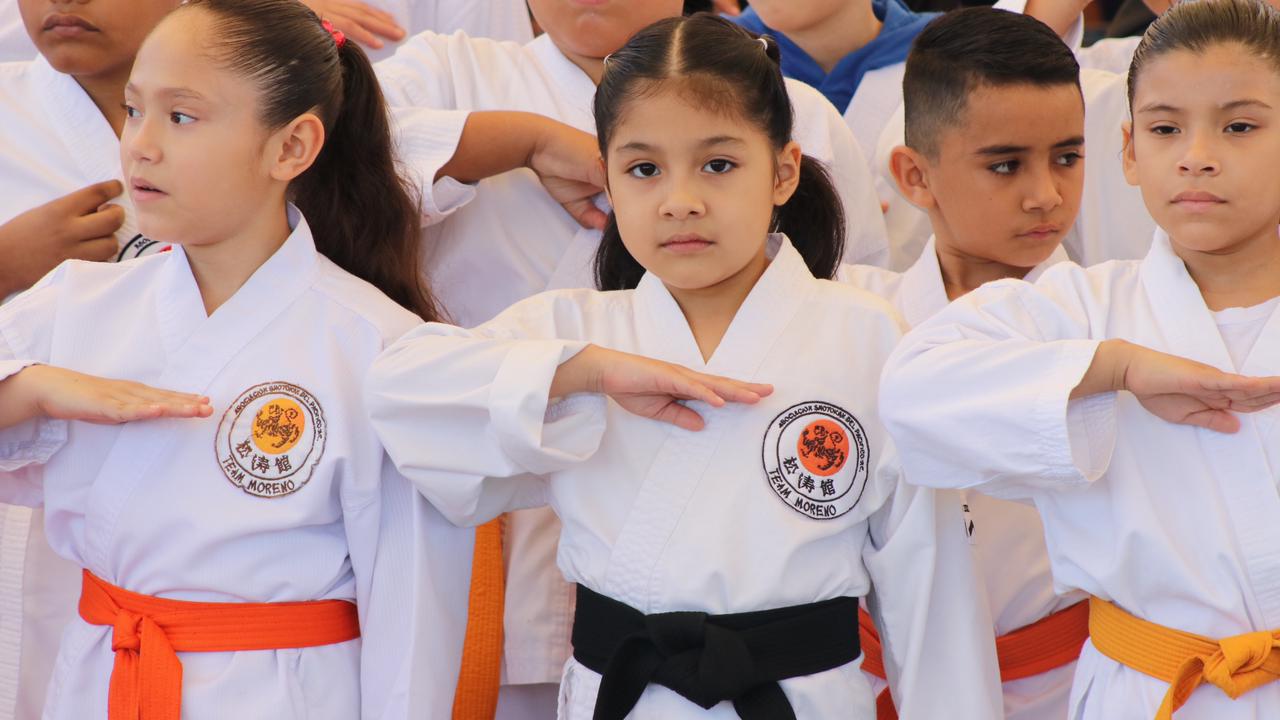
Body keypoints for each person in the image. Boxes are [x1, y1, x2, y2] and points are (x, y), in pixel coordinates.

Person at [367, 15, 1001, 719]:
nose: (680, 201)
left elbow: (932, 596)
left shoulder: (869, 338)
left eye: (719, 164)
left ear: (784, 171)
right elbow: (398, 391)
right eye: (643, 169)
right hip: (624, 699)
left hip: (804, 699)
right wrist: (587, 374)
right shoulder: (575, 333)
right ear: (605, 175)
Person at [0, 1, 478, 716]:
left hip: (286, 692)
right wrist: (29, 391)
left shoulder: (378, 344)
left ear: (291, 148)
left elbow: (413, 623)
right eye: (134, 112)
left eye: (181, 116)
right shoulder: (75, 304)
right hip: (100, 678)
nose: (140, 147)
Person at [880, 0, 1280, 717]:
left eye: (1240, 126)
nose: (1197, 154)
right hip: (1149, 688)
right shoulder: (1081, 309)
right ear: (1129, 152)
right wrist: (1112, 369)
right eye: (1165, 128)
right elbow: (910, 392)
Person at [842, 9, 1089, 719]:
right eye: (1005, 164)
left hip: (1071, 685)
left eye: (1067, 157)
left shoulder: (1116, 330)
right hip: (875, 679)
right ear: (915, 176)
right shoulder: (863, 326)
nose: (1045, 193)